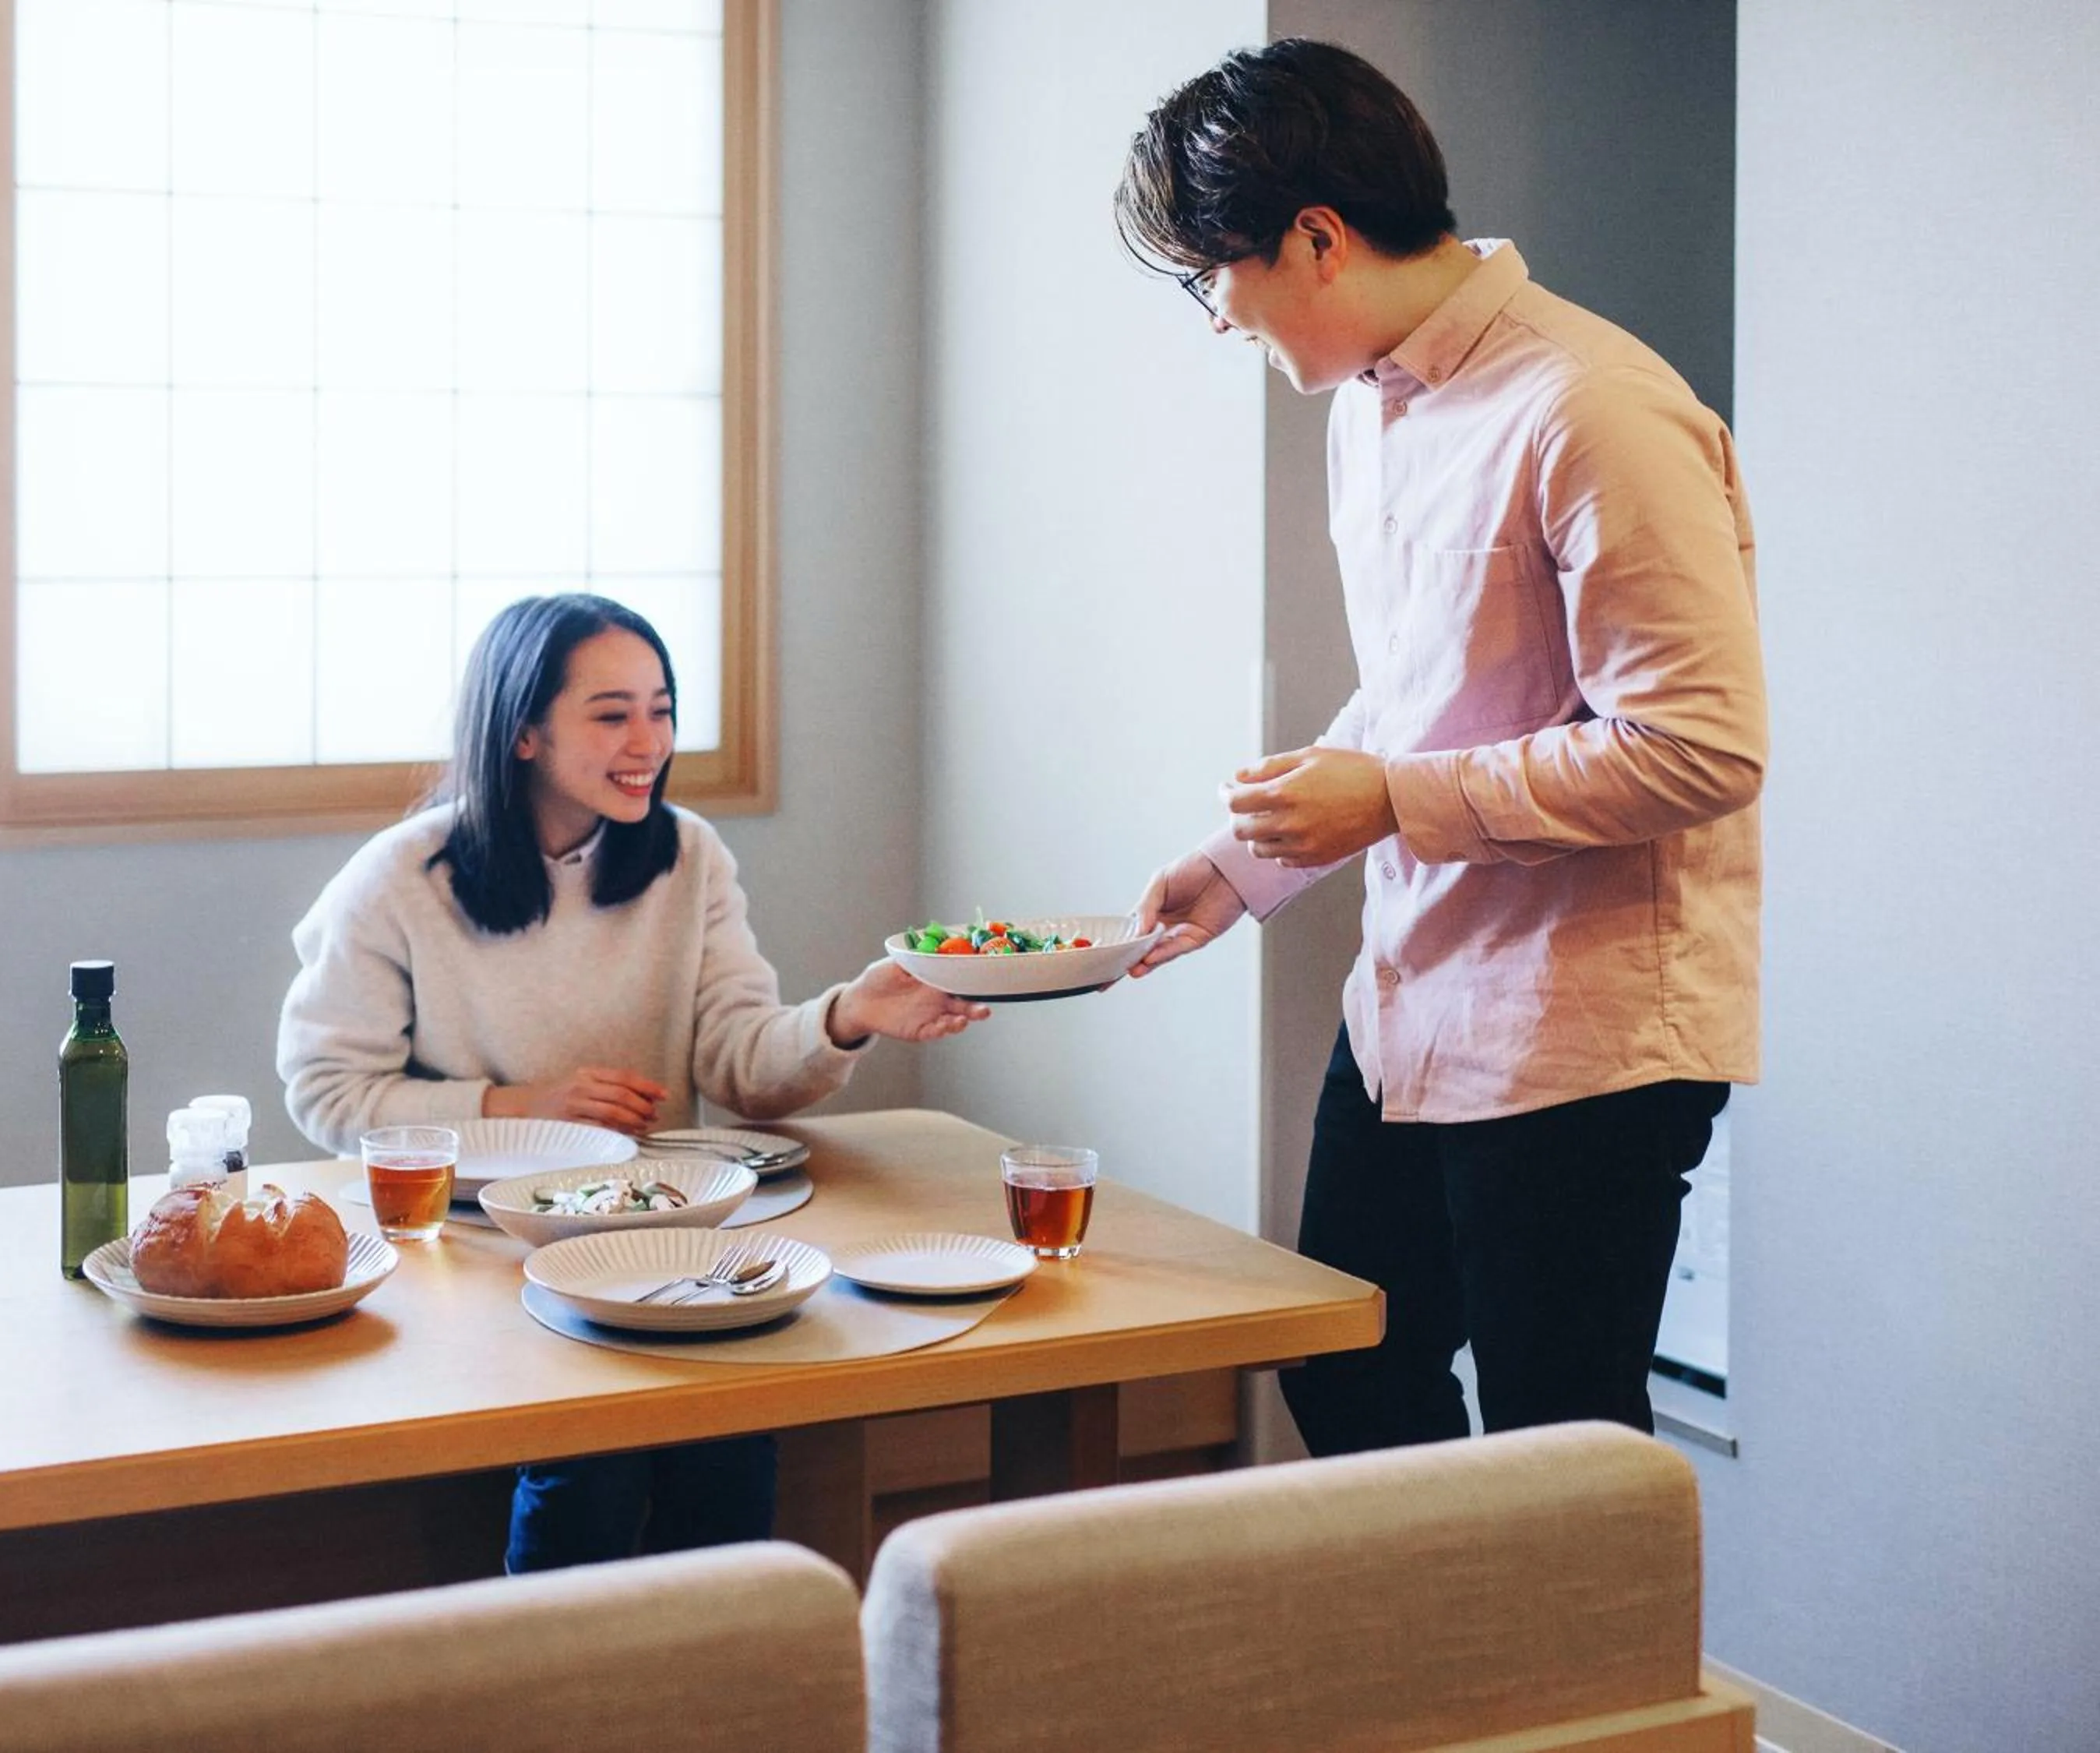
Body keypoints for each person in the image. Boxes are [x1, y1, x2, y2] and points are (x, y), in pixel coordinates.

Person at [1113, 41, 1764, 1455]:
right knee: (1340, 1362)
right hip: (1410, 999)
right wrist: (1245, 864)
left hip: (1581, 1036)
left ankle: (1544, 1621)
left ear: (1316, 238)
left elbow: (1699, 748)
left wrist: (1394, 801)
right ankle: (1447, 1614)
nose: (1216, 318)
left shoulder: (1594, 406)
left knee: (1558, 1447)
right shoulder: (1371, 409)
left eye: (1211, 275)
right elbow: (1421, 695)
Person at [279, 592, 987, 1569]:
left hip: (665, 1231)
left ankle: (720, 1658)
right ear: (523, 732)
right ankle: (565, 1664)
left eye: (662, 709)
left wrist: (847, 1016)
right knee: (592, 1459)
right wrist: (518, 1111)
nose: (647, 742)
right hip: (490, 1249)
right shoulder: (400, 877)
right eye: (612, 714)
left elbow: (741, 1064)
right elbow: (329, 1091)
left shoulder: (688, 855)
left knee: (733, 1437)